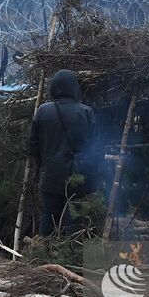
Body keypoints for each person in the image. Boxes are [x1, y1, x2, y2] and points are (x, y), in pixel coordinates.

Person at [27, 69, 96, 237]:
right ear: (74, 88)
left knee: (48, 216)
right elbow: (94, 148)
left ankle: (44, 254)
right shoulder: (86, 112)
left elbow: (31, 146)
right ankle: (70, 253)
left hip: (50, 175)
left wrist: (42, 164)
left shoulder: (43, 111)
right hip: (77, 176)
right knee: (74, 219)